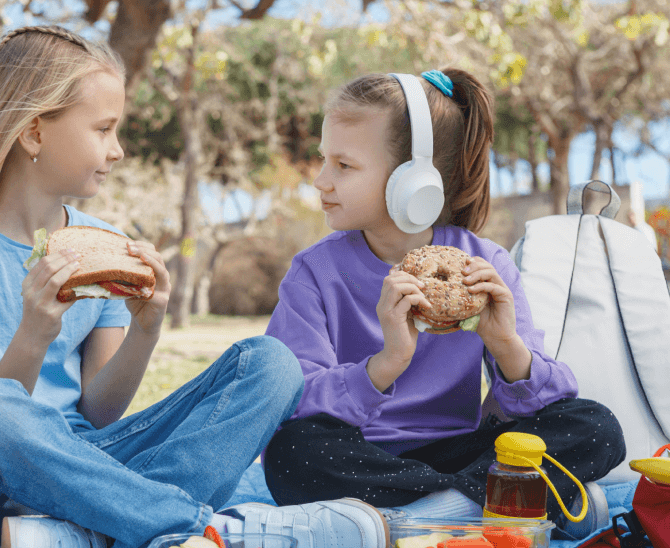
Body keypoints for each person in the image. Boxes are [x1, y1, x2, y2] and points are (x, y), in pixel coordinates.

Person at [0, 25, 390, 548]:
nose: (119, 149)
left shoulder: (107, 246)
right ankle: (193, 528)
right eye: (103, 130)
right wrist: (34, 335)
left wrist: (145, 328)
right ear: (35, 133)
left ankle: (85, 532)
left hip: (99, 461)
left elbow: (98, 412)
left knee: (273, 363)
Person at [261, 68, 626, 539]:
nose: (321, 181)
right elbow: (296, 402)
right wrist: (387, 364)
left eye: (343, 166)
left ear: (413, 179)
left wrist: (506, 345)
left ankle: (422, 515)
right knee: (292, 450)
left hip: (461, 449)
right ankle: (506, 502)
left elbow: (543, 404)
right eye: (323, 160)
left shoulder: (485, 264)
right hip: (358, 453)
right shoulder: (313, 272)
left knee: (596, 425)